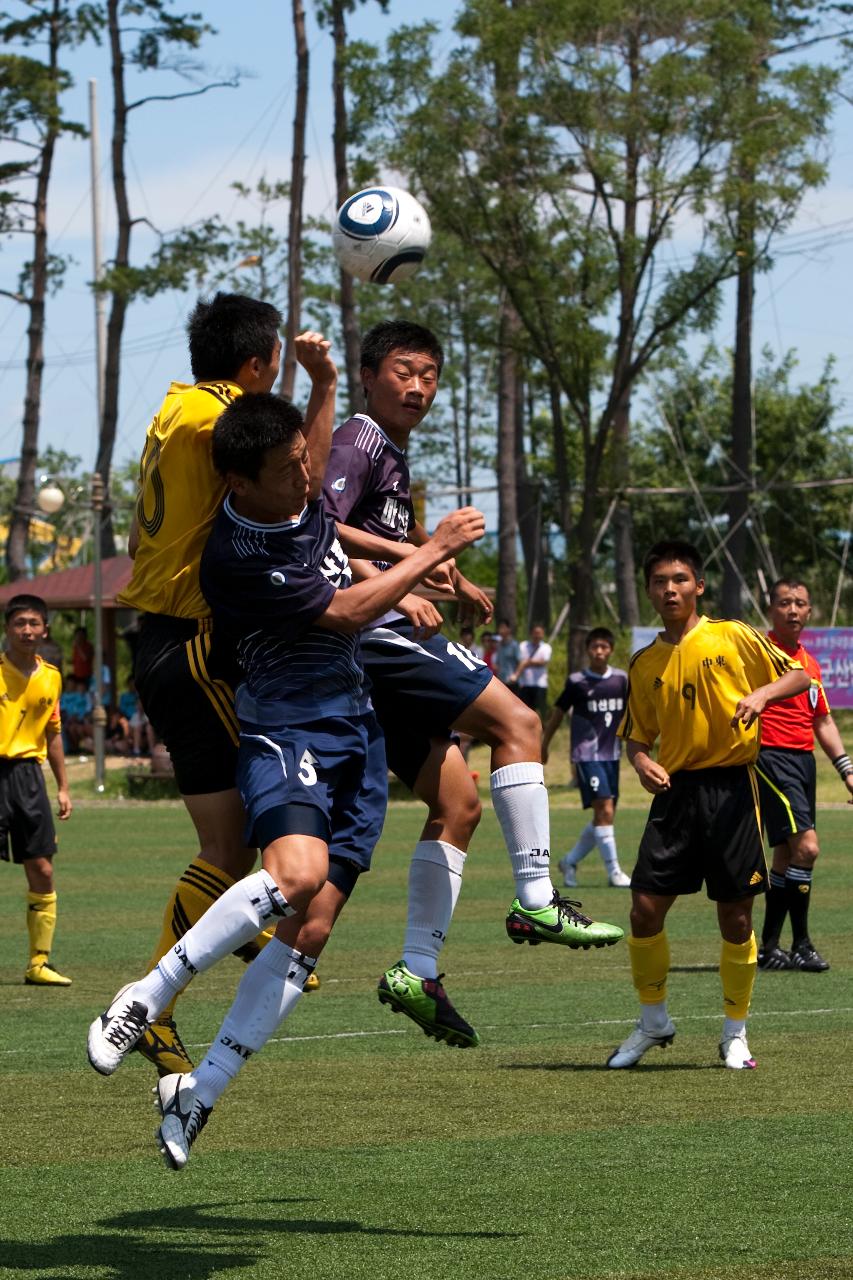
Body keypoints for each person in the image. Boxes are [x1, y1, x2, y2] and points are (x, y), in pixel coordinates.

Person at [87, 389, 486, 1170]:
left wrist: (323, 375)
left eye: (307, 459)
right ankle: (146, 995)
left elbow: (326, 514)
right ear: (239, 482)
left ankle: (201, 1094)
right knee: (292, 875)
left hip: (356, 739)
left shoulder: (294, 497)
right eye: (288, 467)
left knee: (311, 931)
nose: (307, 473)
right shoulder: (236, 555)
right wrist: (427, 553)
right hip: (287, 725)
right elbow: (340, 614)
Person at [323, 320, 623, 1050]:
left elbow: (370, 538)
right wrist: (404, 583)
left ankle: (416, 970)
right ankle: (537, 899)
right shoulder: (357, 438)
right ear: (368, 375)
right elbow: (318, 526)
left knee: (457, 806)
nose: (418, 386)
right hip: (376, 638)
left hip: (372, 648)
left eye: (429, 373)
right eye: (403, 370)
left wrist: (447, 576)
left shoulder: (387, 452)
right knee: (519, 724)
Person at [115, 294, 337, 1075]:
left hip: (166, 639)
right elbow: (300, 478)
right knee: (246, 835)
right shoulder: (217, 420)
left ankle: (222, 952)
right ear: (255, 364)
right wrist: (323, 389)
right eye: (274, 359)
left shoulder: (176, 406)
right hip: (194, 645)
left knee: (240, 836)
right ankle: (157, 1001)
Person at [606, 540, 810, 1072]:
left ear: (698, 585)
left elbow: (798, 676)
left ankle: (734, 1033)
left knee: (735, 915)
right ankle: (653, 1021)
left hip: (733, 790)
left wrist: (761, 696)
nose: (669, 589)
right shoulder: (644, 660)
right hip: (675, 796)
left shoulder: (732, 635)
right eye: (658, 581)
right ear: (649, 590)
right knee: (644, 908)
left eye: (679, 579)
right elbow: (636, 736)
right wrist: (639, 762)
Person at [755, 578, 853, 972]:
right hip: (770, 758)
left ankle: (770, 948)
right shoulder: (758, 653)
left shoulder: (809, 662)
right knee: (808, 848)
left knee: (786, 855)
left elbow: (823, 720)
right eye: (784, 603)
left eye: (800, 603)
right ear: (771, 610)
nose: (792, 610)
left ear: (809, 612)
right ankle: (802, 944)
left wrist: (847, 769)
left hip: (803, 762)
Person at [0, 595, 72, 986]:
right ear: (7, 629)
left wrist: (63, 787)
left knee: (42, 868)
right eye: (19, 623)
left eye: (34, 623)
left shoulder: (53, 676)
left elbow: (53, 733)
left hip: (29, 777)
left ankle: (38, 963)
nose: (27, 630)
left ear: (45, 629)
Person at [542, 627, 631, 888]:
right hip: (586, 754)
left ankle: (568, 862)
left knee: (605, 815)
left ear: (611, 649)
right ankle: (614, 872)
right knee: (604, 809)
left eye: (604, 646)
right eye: (595, 647)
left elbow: (635, 712)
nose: (599, 651)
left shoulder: (621, 680)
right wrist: (544, 744)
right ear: (588, 650)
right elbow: (558, 713)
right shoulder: (577, 681)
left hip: (612, 754)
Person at [509, 623, 552, 719]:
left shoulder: (546, 647)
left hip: (540, 684)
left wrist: (527, 662)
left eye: (539, 633)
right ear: (531, 633)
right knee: (526, 710)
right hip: (525, 684)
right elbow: (519, 660)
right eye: (535, 633)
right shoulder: (523, 645)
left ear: (543, 634)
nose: (537, 635)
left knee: (541, 710)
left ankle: (543, 729)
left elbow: (543, 662)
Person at [493, 619, 521, 686]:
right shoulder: (499, 645)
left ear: (509, 629)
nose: (501, 630)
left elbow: (520, 662)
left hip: (512, 682)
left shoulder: (514, 645)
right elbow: (497, 662)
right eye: (500, 628)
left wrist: (516, 675)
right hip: (501, 681)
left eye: (503, 627)